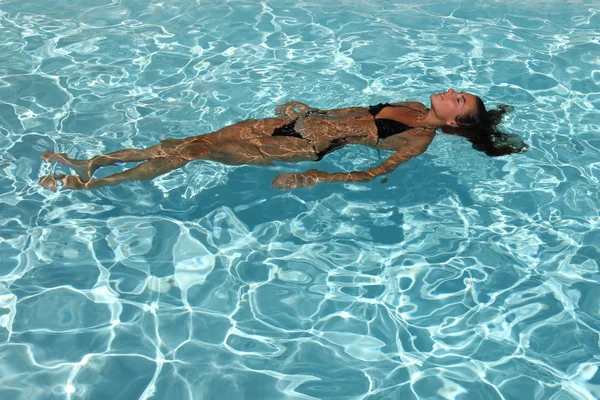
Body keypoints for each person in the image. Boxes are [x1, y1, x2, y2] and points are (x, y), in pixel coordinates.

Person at [39, 88, 528, 191]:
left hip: (299, 148)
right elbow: (351, 113)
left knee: (189, 154)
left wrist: (315, 174)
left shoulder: (419, 137)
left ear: (455, 124)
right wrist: (304, 109)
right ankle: (89, 162)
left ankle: (93, 182)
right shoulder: (415, 106)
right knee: (186, 140)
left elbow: (377, 171)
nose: (450, 93)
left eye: (458, 101)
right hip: (292, 125)